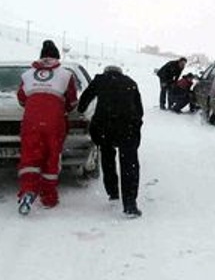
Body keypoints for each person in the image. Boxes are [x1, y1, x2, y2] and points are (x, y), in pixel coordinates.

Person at [16, 39, 78, 213]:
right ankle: (48, 197)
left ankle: (28, 190)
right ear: (57, 58)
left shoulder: (27, 75)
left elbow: (21, 98)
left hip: (31, 121)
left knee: (29, 157)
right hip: (54, 122)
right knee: (51, 157)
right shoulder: (66, 75)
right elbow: (72, 102)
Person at [78, 64, 144, 218]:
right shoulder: (130, 82)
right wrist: (136, 125)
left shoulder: (100, 80)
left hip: (105, 127)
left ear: (106, 71)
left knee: (107, 158)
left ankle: (113, 192)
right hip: (127, 127)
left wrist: (81, 110)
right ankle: (130, 205)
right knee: (129, 164)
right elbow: (139, 110)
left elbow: (85, 98)